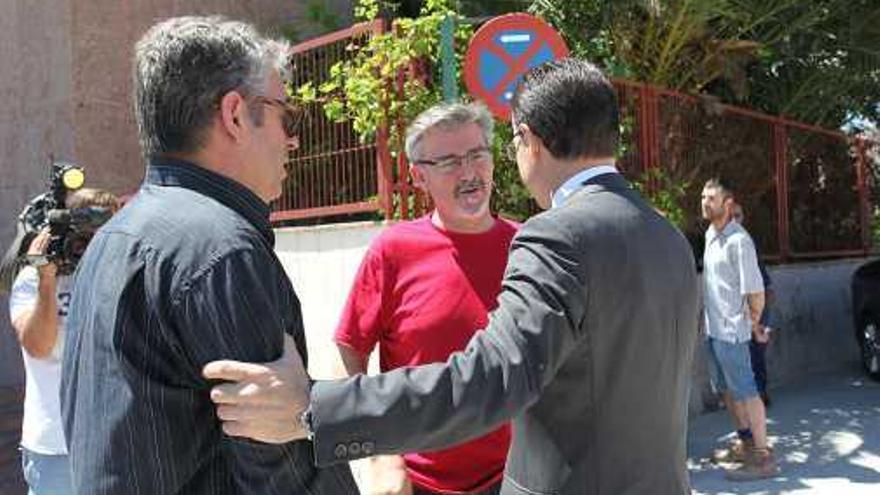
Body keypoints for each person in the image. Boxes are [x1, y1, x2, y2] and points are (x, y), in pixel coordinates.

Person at [205, 58, 700, 495]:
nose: (472, 171)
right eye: (448, 161)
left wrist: (315, 408)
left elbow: (488, 379)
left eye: (485, 152)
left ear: (527, 140)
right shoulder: (668, 237)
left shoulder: (554, 237)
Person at [59, 16, 357, 494]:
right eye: (287, 114)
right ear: (236, 115)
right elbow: (282, 471)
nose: (292, 139)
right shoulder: (221, 251)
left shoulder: (114, 237)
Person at [335, 102, 517, 495]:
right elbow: (350, 350)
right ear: (419, 176)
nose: (469, 173)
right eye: (449, 162)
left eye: (476, 155)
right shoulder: (394, 250)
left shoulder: (527, 250)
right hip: (417, 484)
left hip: (517, 477)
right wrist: (381, 451)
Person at [9, 188, 118, 495]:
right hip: (56, 445)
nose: (89, 248)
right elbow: (38, 347)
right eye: (83, 238)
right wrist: (47, 281)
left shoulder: (121, 274)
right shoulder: (32, 280)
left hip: (115, 440)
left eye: (102, 238)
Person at [700, 179, 778, 480]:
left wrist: (755, 325)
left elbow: (756, 292)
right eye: (703, 197)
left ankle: (762, 457)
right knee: (728, 392)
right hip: (714, 330)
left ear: (728, 204)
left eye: (712, 197)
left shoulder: (739, 241)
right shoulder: (710, 234)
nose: (705, 202)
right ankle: (746, 443)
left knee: (747, 392)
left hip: (734, 332)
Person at [731, 202, 774, 406]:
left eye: (738, 215)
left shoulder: (746, 242)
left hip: (755, 303)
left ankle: (759, 394)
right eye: (731, 215)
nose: (734, 220)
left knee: (756, 352)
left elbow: (762, 281)